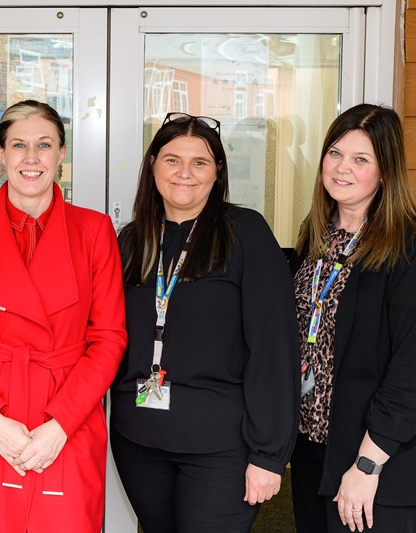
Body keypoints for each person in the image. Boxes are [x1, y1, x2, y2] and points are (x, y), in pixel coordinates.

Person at [0, 100, 127, 532]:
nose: (31, 158)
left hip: (66, 422)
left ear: (61, 153)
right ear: (1, 154)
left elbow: (109, 339)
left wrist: (60, 426)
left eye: (44, 145)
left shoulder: (94, 232)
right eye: (18, 145)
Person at [110, 112, 301, 532]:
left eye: (200, 162)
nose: (185, 173)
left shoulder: (244, 234)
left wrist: (269, 455)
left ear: (218, 171)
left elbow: (274, 347)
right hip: (139, 443)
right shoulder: (132, 240)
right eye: (172, 159)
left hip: (221, 449)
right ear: (153, 165)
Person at [289, 104, 416, 533]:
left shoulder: (413, 249)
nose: (343, 168)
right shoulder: (316, 238)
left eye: (361, 159)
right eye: (335, 153)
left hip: (377, 462)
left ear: (386, 172)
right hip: (316, 451)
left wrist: (366, 465)